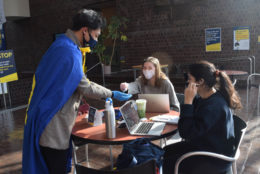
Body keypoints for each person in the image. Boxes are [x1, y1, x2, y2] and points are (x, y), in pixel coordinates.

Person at [22, 9, 132, 174]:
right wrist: (111, 93)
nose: (96, 40)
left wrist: (76, 101)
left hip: (46, 117)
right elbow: (84, 85)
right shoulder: (69, 51)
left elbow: (64, 84)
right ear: (85, 30)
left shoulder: (62, 45)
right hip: (52, 126)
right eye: (95, 36)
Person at [163, 61, 242, 174]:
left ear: (200, 82)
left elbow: (186, 133)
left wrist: (188, 102)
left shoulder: (213, 106)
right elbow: (190, 125)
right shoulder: (206, 98)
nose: (187, 82)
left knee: (167, 163)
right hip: (207, 146)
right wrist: (191, 101)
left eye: (189, 78)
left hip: (213, 158)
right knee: (165, 151)